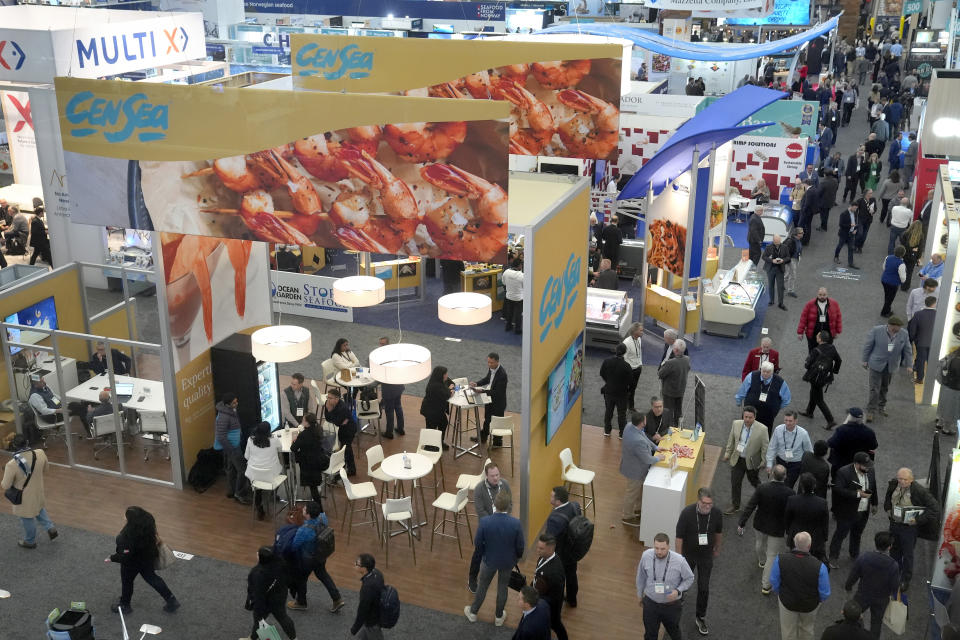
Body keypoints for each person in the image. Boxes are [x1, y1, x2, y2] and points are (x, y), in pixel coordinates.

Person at [105, 506, 180, 615]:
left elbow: (125, 556)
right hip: (148, 558)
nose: (124, 518)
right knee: (152, 578)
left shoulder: (124, 537)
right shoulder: (148, 524)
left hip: (131, 564)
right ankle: (171, 599)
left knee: (127, 582)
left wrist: (112, 558)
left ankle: (125, 605)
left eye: (126, 516)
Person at [464, 491, 524, 626]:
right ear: (509, 506)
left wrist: (485, 554)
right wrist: (516, 557)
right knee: (502, 588)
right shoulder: (516, 523)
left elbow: (478, 543)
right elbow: (520, 546)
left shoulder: (485, 522)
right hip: (508, 562)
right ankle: (498, 617)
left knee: (483, 586)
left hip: (488, 560)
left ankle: (473, 613)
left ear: (494, 505)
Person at [739, 465, 795, 595]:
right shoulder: (790, 493)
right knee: (772, 555)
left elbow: (751, 505)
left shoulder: (762, 488)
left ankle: (761, 561)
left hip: (760, 524)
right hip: (777, 528)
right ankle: (766, 585)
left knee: (759, 543)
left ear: (771, 475)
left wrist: (742, 522)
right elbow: (791, 513)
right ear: (785, 477)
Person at [675, 488, 723, 635]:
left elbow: (718, 532)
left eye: (710, 504)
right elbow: (679, 537)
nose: (708, 506)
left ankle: (700, 617)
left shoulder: (716, 513)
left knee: (704, 588)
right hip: (688, 555)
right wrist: (679, 557)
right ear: (698, 500)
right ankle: (678, 602)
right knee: (682, 582)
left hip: (706, 556)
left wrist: (717, 548)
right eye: (705, 503)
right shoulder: (687, 513)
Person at [884, 467, 940, 591]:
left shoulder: (919, 491)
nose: (902, 482)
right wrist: (887, 508)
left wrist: (917, 520)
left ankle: (905, 580)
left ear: (911, 480)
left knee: (907, 554)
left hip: (909, 529)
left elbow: (935, 509)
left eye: (905, 479)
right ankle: (894, 573)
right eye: (900, 479)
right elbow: (888, 498)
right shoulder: (894, 484)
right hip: (894, 524)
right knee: (893, 550)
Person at [770, 531, 830, 640]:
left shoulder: (780, 559)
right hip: (809, 605)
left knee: (788, 630)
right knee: (807, 629)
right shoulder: (820, 567)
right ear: (809, 546)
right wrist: (818, 601)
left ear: (794, 543)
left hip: (787, 602)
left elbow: (774, 582)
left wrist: (781, 593)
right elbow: (824, 593)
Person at [1, 434, 57, 549]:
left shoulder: (12, 464)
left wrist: (7, 472)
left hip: (24, 496)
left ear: (14, 446)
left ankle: (30, 541)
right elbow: (46, 470)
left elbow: (5, 485)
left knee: (27, 517)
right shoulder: (40, 453)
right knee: (39, 508)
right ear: (27, 443)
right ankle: (50, 527)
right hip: (38, 490)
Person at [635, 532, 695, 640]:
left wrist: (678, 590)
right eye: (656, 548)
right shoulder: (646, 555)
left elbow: (690, 578)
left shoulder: (679, 560)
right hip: (650, 604)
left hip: (671, 606)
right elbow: (641, 576)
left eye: (662, 549)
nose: (659, 552)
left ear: (668, 546)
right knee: (650, 635)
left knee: (674, 633)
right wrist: (639, 594)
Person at [288, 501, 344, 613]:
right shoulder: (323, 517)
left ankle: (301, 602)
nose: (303, 509)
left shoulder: (304, 530)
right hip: (321, 555)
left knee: (301, 579)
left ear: (308, 514)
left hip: (308, 559)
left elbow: (294, 546)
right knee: (323, 574)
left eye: (304, 509)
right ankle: (337, 598)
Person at [844, 532, 900, 639]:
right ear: (889, 547)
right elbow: (894, 587)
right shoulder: (893, 565)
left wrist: (848, 586)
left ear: (875, 543)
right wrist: (895, 598)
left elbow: (854, 574)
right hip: (881, 599)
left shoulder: (864, 557)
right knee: (876, 623)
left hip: (863, 594)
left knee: (853, 616)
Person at [828, 452, 878, 570]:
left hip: (863, 510)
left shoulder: (870, 470)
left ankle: (854, 554)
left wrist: (875, 503)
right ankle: (833, 557)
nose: (868, 467)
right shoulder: (843, 472)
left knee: (857, 533)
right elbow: (838, 490)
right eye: (865, 465)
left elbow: (873, 486)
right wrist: (857, 494)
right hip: (847, 511)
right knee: (841, 534)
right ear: (856, 464)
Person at [469, 462, 511, 591]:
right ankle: (472, 578)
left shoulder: (504, 485)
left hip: (502, 526)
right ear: (486, 476)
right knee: (478, 554)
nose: (496, 478)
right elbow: (481, 512)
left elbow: (510, 505)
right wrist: (494, 522)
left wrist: (502, 518)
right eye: (492, 475)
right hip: (486, 529)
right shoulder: (479, 489)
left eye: (497, 475)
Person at [621, 412, 668, 526]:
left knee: (639, 490)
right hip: (635, 471)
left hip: (632, 465)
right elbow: (648, 459)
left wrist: (656, 447)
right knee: (632, 493)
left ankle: (638, 509)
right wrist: (658, 457)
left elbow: (644, 437)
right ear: (642, 423)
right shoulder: (637, 441)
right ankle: (627, 516)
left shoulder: (629, 426)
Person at [861, 316, 912, 422]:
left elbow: (908, 350)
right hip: (876, 364)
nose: (897, 329)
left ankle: (882, 406)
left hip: (891, 366)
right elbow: (868, 345)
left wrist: (909, 365)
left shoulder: (904, 333)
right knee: (874, 389)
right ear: (889, 325)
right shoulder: (877, 330)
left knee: (885, 387)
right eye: (895, 327)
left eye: (898, 327)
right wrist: (865, 360)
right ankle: (871, 410)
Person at [722, 406, 770, 515]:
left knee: (755, 482)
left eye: (750, 417)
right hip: (738, 459)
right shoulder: (736, 424)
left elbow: (765, 447)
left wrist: (763, 461)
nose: (747, 419)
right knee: (735, 483)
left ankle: (763, 501)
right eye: (746, 417)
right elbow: (731, 440)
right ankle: (735, 505)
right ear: (743, 416)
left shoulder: (762, 429)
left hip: (752, 462)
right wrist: (727, 453)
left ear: (755, 417)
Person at [245, 546, 297, 640]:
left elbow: (258, 593)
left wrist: (256, 607)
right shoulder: (281, 563)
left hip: (264, 601)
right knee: (283, 618)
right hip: (279, 597)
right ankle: (294, 638)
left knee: (259, 620)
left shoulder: (257, 573)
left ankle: (252, 638)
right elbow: (289, 579)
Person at [545, 486, 582, 608]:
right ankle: (572, 600)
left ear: (558, 501)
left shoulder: (555, 519)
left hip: (561, 555)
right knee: (572, 575)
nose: (550, 498)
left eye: (552, 497)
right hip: (574, 550)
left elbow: (549, 540)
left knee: (558, 580)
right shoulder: (575, 506)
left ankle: (557, 603)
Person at [735, 361, 792, 436]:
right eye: (763, 371)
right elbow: (743, 390)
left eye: (768, 372)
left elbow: (786, 399)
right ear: (760, 369)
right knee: (746, 431)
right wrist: (738, 401)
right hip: (750, 412)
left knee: (764, 434)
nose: (765, 373)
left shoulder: (780, 382)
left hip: (767, 415)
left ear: (772, 372)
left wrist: (776, 408)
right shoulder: (752, 376)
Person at [801, 330, 842, 429]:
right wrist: (834, 371)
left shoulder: (816, 350)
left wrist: (808, 366)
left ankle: (830, 420)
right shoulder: (832, 348)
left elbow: (807, 365)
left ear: (820, 339)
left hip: (815, 377)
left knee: (819, 399)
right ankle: (809, 412)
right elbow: (839, 360)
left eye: (817, 336)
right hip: (825, 376)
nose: (816, 337)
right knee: (814, 392)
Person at [784, 474, 829, 562]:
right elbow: (825, 522)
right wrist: (824, 537)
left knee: (795, 558)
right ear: (814, 486)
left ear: (801, 486)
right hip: (815, 538)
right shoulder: (822, 503)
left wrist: (789, 531)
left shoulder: (792, 500)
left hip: (796, 535)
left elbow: (787, 518)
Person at [215, 392, 251, 504]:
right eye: (234, 402)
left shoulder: (230, 411)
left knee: (231, 469)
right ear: (227, 404)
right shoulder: (223, 417)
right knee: (243, 469)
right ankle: (239, 493)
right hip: (232, 447)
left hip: (233, 445)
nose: (237, 404)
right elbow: (221, 436)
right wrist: (231, 449)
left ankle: (231, 490)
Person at [290, 414, 330, 511]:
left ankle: (319, 510)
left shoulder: (304, 435)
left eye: (303, 420)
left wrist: (295, 441)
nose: (302, 421)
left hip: (309, 464)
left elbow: (293, 448)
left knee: (313, 487)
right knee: (314, 485)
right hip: (319, 460)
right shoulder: (318, 430)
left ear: (307, 423)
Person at [245, 422, 284, 520]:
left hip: (254, 475)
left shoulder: (250, 440)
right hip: (271, 475)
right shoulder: (274, 440)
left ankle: (260, 509)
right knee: (281, 473)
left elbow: (246, 456)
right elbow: (280, 449)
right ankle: (272, 494)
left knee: (257, 489)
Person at [766, 411, 814, 488]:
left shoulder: (803, 433)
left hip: (795, 465)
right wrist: (769, 464)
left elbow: (809, 451)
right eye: (786, 420)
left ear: (796, 421)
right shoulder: (778, 429)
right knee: (778, 484)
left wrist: (808, 468)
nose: (787, 423)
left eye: (790, 421)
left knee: (788, 485)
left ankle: (785, 499)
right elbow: (772, 447)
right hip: (780, 462)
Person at [533, 535, 567, 640]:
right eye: (538, 547)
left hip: (550, 607)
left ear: (551, 549)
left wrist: (535, 599)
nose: (537, 550)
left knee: (556, 625)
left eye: (541, 548)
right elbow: (538, 575)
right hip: (540, 598)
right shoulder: (543, 557)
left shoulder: (555, 572)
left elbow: (555, 598)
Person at [826, 409, 878, 478]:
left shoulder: (842, 430)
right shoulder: (869, 432)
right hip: (858, 464)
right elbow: (874, 446)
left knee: (837, 482)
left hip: (841, 463)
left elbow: (831, 443)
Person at [471, 352, 508, 445]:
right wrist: (477, 384)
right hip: (490, 399)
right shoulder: (492, 368)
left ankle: (497, 442)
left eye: (491, 363)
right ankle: (483, 438)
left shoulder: (502, 375)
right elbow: (488, 379)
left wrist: (482, 391)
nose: (489, 364)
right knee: (487, 419)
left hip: (498, 403)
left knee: (497, 422)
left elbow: (498, 393)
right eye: (488, 362)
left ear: (497, 362)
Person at [320, 388, 357, 476]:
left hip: (349, 429)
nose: (328, 400)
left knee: (347, 448)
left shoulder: (342, 408)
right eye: (327, 397)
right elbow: (328, 419)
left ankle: (352, 469)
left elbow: (337, 422)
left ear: (337, 399)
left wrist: (330, 411)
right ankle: (344, 466)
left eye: (330, 398)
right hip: (341, 428)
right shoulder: (328, 403)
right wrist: (330, 412)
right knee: (344, 448)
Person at [600, 343, 632, 438]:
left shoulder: (607, 361)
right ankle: (622, 434)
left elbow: (602, 373)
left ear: (615, 350)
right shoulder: (626, 366)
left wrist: (608, 381)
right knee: (621, 414)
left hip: (608, 391)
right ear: (625, 352)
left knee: (608, 411)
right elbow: (630, 381)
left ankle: (607, 431)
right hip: (622, 393)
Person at [351, 553, 384, 639]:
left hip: (372, 622)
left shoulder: (367, 588)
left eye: (357, 563)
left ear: (364, 569)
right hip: (377, 615)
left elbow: (362, 610)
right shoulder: (378, 573)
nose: (354, 564)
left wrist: (355, 628)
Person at [657, 339, 690, 420]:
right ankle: (677, 426)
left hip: (669, 391)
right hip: (681, 389)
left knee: (668, 411)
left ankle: (669, 428)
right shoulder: (687, 359)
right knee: (678, 410)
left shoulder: (670, 363)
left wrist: (664, 364)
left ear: (675, 350)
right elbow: (688, 369)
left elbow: (660, 374)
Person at [909, 295, 937, 383]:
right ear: (934, 304)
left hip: (921, 342)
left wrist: (912, 339)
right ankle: (934, 379)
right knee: (932, 361)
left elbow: (912, 329)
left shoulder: (918, 314)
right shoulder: (939, 315)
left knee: (920, 361)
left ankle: (919, 379)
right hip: (934, 343)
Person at [937, 347, 960, 435]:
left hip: (946, 385)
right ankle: (946, 428)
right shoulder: (958, 362)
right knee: (952, 408)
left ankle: (940, 422)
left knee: (943, 404)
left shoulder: (952, 357)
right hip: (955, 389)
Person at [879, 247, 907, 317]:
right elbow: (902, 277)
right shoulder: (901, 264)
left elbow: (884, 267)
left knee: (887, 295)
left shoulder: (888, 257)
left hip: (884, 280)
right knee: (890, 298)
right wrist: (903, 282)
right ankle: (884, 312)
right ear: (903, 254)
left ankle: (887, 310)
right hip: (893, 283)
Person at [622, 322, 643, 410]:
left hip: (638, 368)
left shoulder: (639, 339)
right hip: (630, 370)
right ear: (635, 331)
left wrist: (640, 364)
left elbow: (639, 353)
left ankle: (631, 406)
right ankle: (624, 406)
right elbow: (624, 358)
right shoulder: (626, 342)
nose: (642, 332)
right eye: (641, 330)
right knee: (627, 390)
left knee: (633, 389)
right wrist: (628, 370)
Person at [899, 221, 925, 290]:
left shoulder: (906, 233)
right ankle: (905, 286)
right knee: (909, 272)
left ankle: (900, 281)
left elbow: (901, 241)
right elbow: (920, 248)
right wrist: (918, 257)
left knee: (902, 269)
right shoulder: (921, 236)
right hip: (913, 257)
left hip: (904, 254)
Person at [501, 258, 524, 333]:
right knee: (518, 314)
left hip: (509, 296)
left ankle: (508, 326)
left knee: (509, 312)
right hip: (519, 298)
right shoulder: (522, 275)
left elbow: (503, 283)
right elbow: (525, 287)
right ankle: (517, 329)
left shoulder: (506, 272)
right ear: (520, 265)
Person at [834, 204, 860, 268]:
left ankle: (850, 263)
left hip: (851, 234)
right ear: (850, 206)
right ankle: (836, 257)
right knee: (840, 245)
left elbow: (856, 222)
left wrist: (855, 229)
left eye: (856, 209)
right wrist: (850, 225)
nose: (855, 210)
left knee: (851, 248)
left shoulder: (855, 213)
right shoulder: (844, 214)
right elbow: (841, 224)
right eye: (854, 208)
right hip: (844, 233)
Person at [784, 226, 804, 298]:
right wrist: (788, 260)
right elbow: (787, 251)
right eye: (801, 233)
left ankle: (781, 284)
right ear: (796, 234)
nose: (803, 233)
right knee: (793, 275)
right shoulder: (791, 241)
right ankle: (790, 290)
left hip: (795, 259)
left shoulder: (798, 240)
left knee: (788, 273)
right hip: (791, 260)